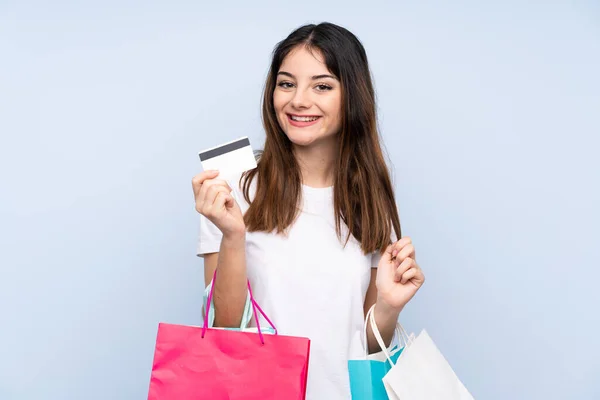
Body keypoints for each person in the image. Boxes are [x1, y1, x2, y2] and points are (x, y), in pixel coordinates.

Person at [192, 22, 425, 399]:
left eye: (322, 86)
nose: (299, 100)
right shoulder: (234, 185)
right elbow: (224, 327)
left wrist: (388, 307)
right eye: (286, 84)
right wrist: (233, 235)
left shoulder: (370, 198)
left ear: (352, 96)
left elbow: (363, 347)